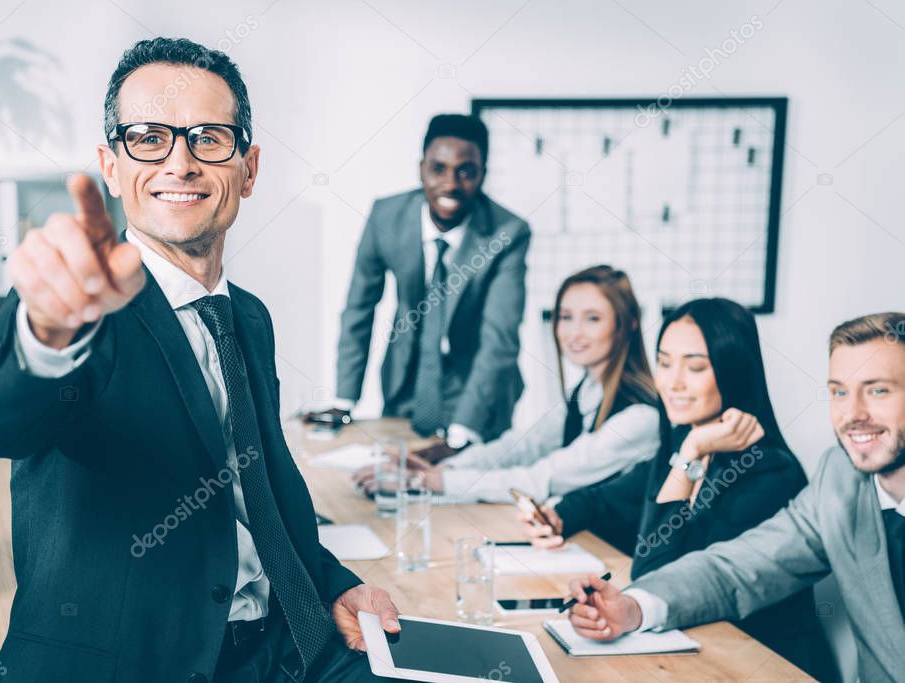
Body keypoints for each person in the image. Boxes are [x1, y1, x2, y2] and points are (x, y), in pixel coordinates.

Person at [0, 38, 400, 683]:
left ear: (248, 169)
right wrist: (44, 329)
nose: (181, 162)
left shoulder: (249, 317)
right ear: (112, 166)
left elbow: (262, 487)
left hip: (287, 642)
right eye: (148, 137)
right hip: (138, 662)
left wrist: (335, 583)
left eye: (208, 137)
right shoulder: (81, 311)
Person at [562, 312, 905, 683]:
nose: (852, 414)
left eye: (878, 390)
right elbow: (735, 569)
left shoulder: (771, 468)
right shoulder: (841, 476)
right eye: (839, 391)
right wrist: (633, 607)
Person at [521, 299, 836, 680]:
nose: (673, 382)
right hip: (697, 659)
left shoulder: (769, 473)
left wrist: (690, 455)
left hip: (762, 666)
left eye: (696, 366)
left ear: (733, 371)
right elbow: (604, 500)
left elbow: (655, 569)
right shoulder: (679, 443)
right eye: (665, 362)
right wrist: (557, 517)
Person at [304, 114, 531, 452]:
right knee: (396, 482)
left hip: (477, 390)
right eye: (439, 169)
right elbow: (359, 309)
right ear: (421, 169)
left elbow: (499, 338)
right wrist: (344, 399)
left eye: (466, 171)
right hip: (405, 379)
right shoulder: (387, 217)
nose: (451, 184)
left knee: (460, 492)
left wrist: (464, 430)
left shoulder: (507, 233)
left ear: (483, 174)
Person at [352, 265, 659, 503]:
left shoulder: (640, 417)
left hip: (613, 561)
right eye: (565, 317)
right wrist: (445, 470)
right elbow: (522, 447)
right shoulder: (588, 391)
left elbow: (544, 478)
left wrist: (429, 482)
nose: (574, 333)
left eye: (592, 319)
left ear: (628, 323)